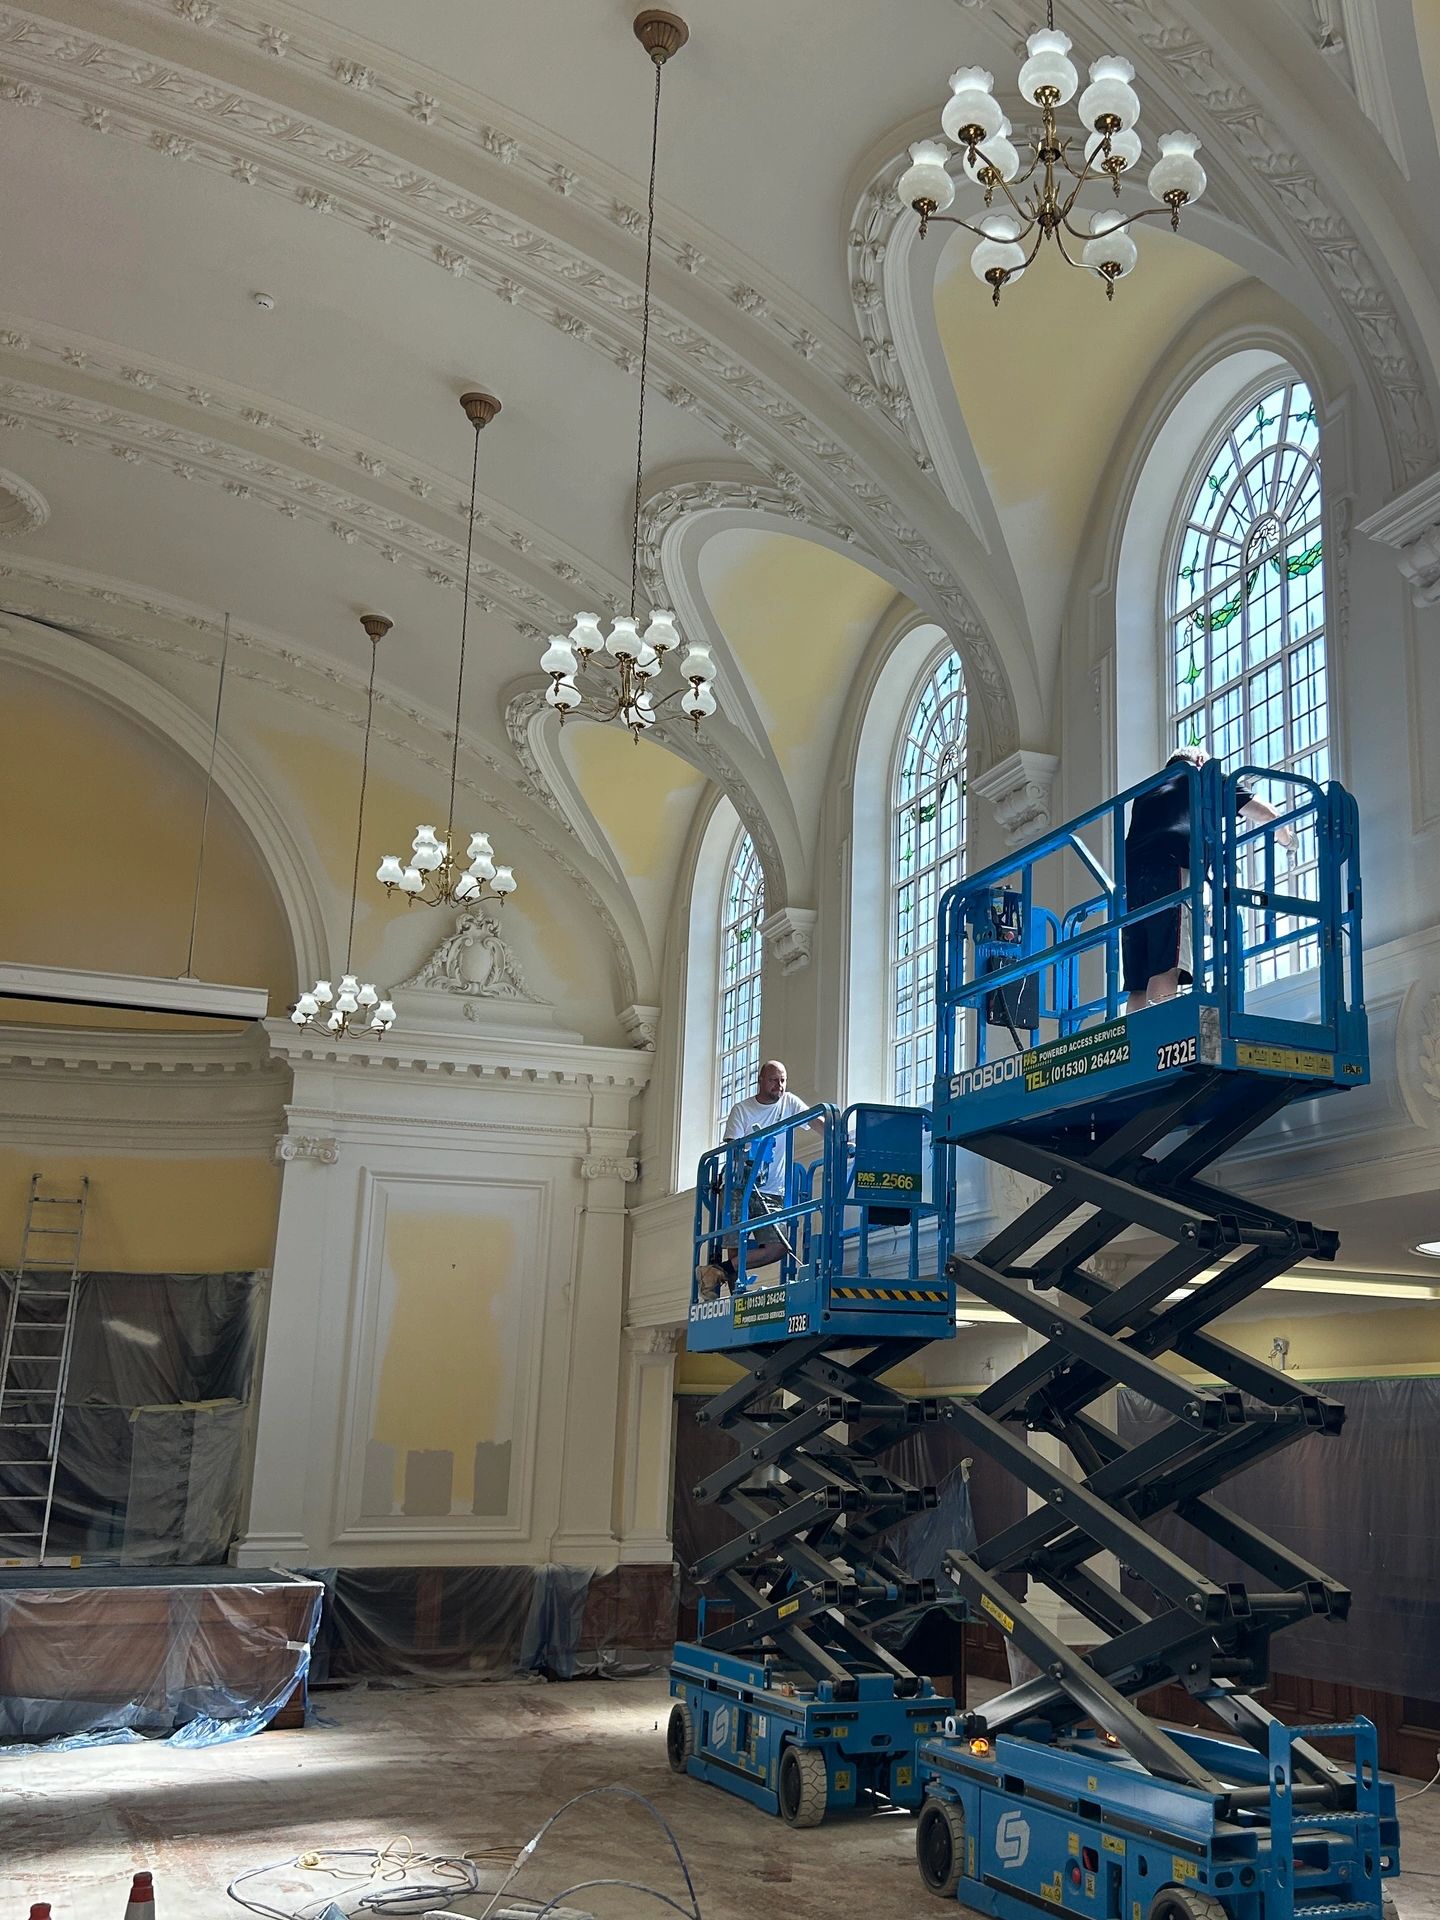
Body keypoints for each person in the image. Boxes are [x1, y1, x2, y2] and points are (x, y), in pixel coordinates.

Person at [1122, 745, 1293, 1015]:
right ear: (1201, 760)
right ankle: (1161, 1036)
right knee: (1166, 964)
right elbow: (1265, 814)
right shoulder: (1201, 776)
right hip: (1170, 872)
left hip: (1130, 885)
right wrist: (1290, 841)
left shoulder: (1146, 793)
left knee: (1139, 980)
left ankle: (1135, 1045)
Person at [698, 1060, 814, 1298]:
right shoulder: (742, 1110)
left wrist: (843, 1135)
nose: (778, 1086)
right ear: (761, 1080)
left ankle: (715, 1272)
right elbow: (733, 1148)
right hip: (740, 1186)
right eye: (773, 1080)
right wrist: (749, 1161)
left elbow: (817, 1122)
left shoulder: (790, 1103)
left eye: (782, 1080)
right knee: (736, 1241)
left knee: (779, 1247)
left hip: (774, 1191)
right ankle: (734, 1293)